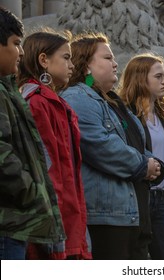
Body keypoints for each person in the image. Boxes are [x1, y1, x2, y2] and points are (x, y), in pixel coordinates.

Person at [60, 33, 161, 260]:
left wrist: (155, 164)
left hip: (132, 213)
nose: (115, 63)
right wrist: (144, 164)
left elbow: (137, 143)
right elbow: (100, 145)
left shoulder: (114, 101)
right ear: (86, 66)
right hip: (107, 218)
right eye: (107, 58)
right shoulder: (77, 97)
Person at [17, 30, 91, 260]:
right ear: (43, 60)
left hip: (66, 216)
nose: (72, 64)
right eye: (66, 57)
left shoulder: (53, 102)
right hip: (53, 222)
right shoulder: (37, 102)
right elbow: (47, 170)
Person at [0, 6, 65, 260]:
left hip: (16, 221)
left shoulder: (8, 90)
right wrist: (31, 191)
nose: (21, 51)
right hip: (9, 223)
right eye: (16, 43)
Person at [118, 53, 164, 260]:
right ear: (140, 79)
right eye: (158, 76)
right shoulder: (126, 116)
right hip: (138, 200)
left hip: (161, 201)